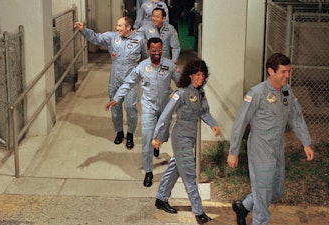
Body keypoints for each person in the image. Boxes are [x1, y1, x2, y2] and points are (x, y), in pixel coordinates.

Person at [227, 53, 315, 225]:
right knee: (263, 193)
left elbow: (296, 117)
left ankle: (243, 207)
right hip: (260, 147)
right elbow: (240, 122)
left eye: (288, 71)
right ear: (270, 71)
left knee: (276, 190)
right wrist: (233, 152)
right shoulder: (257, 93)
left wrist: (306, 143)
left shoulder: (287, 91)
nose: (287, 76)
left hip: (277, 146)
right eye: (283, 72)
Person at [105, 37, 180, 187]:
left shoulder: (169, 65)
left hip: (165, 108)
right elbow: (129, 83)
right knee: (146, 141)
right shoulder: (142, 67)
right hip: (148, 108)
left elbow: (181, 82)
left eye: (159, 50)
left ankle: (158, 143)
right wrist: (117, 97)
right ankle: (148, 172)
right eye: (154, 51)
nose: (157, 53)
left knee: (163, 135)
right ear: (148, 50)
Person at [152, 59, 220, 224]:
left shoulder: (200, 93)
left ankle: (161, 198)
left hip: (190, 138)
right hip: (180, 136)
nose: (201, 78)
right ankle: (199, 212)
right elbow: (165, 115)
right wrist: (158, 136)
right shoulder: (181, 93)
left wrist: (213, 125)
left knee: (176, 167)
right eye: (198, 75)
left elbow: (204, 112)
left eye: (203, 75)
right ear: (190, 75)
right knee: (189, 175)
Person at [74, 17, 148, 149]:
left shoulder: (139, 40)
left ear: (128, 27)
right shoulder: (112, 37)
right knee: (115, 107)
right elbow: (96, 38)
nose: (117, 28)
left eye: (120, 26)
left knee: (130, 107)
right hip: (115, 77)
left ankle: (130, 134)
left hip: (131, 79)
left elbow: (147, 58)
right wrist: (83, 30)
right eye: (117, 25)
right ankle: (119, 132)